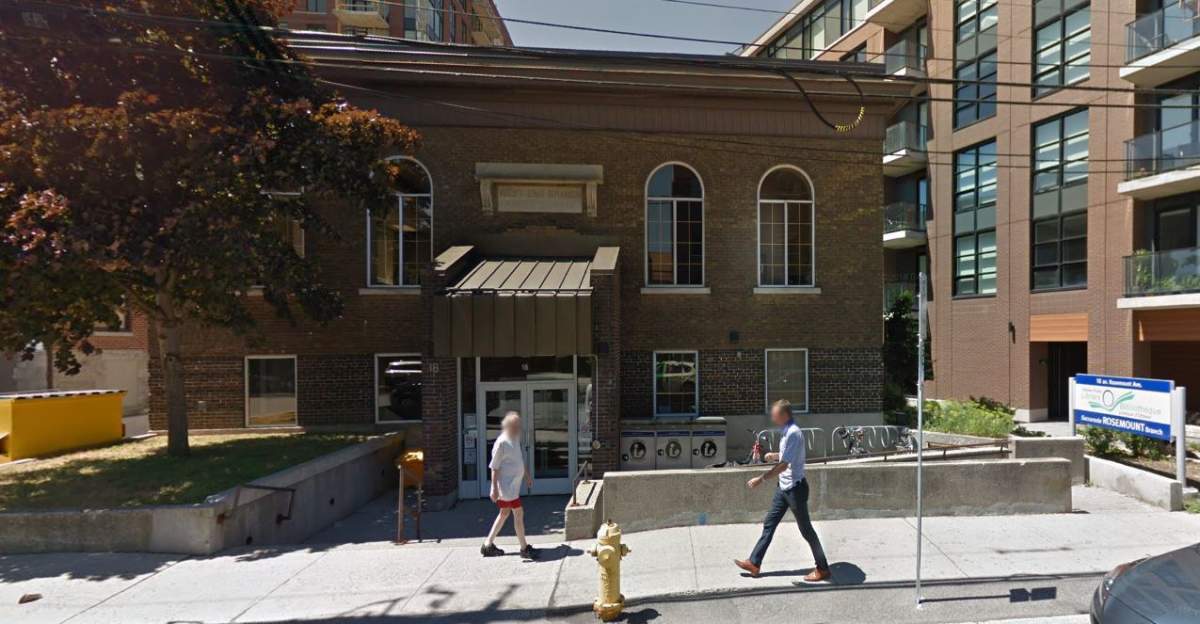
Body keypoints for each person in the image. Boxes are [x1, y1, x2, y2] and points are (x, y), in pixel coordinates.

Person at [734, 399, 831, 582]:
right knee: (769, 524)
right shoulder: (786, 432)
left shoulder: (793, 433)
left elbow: (784, 465)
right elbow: (788, 456)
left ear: (784, 415)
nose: (772, 416)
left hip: (795, 489)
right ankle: (754, 563)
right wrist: (775, 454)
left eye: (775, 414)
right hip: (783, 488)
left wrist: (760, 479)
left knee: (807, 531)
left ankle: (823, 568)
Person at [481, 410, 538, 559]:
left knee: (504, 514)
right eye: (516, 425)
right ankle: (524, 548)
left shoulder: (515, 439)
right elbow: (494, 467)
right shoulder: (501, 442)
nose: (518, 427)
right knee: (518, 513)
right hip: (506, 488)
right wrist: (493, 488)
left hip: (513, 486)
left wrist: (526, 475)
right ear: (508, 426)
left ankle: (488, 544)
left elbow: (519, 460)